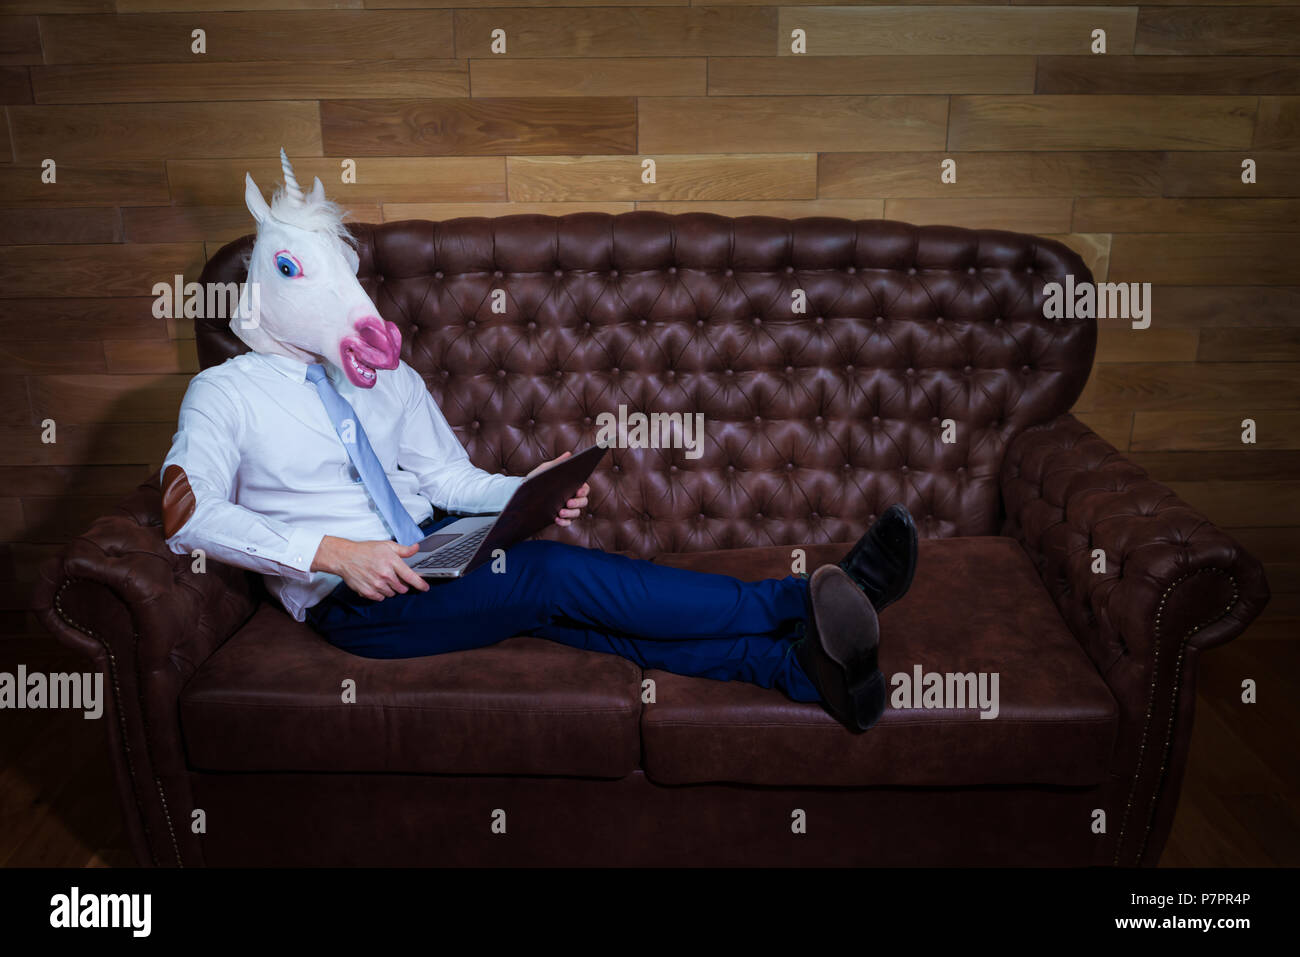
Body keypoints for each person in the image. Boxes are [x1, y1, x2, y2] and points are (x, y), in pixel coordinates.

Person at [160, 151, 919, 733]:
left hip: (435, 545)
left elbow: (448, 477)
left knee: (571, 617)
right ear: (267, 282)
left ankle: (797, 669)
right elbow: (186, 517)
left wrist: (527, 488)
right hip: (355, 600)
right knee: (548, 577)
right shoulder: (224, 394)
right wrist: (335, 553)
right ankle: (803, 595)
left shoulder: (385, 380)